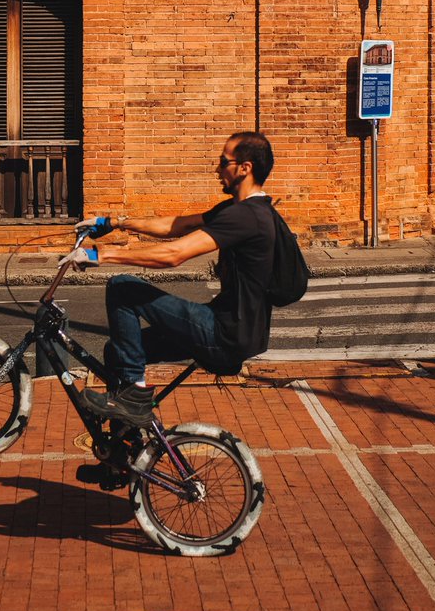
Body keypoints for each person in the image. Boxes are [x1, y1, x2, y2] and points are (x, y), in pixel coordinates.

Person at [61, 131, 276, 427]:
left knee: (123, 289)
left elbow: (173, 254)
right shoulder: (237, 210)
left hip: (225, 333)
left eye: (222, 162)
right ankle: (127, 449)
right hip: (230, 329)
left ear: (245, 168)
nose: (217, 169)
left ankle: (135, 395)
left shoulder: (246, 217)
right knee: (117, 351)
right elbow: (176, 225)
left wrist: (100, 255)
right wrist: (114, 222)